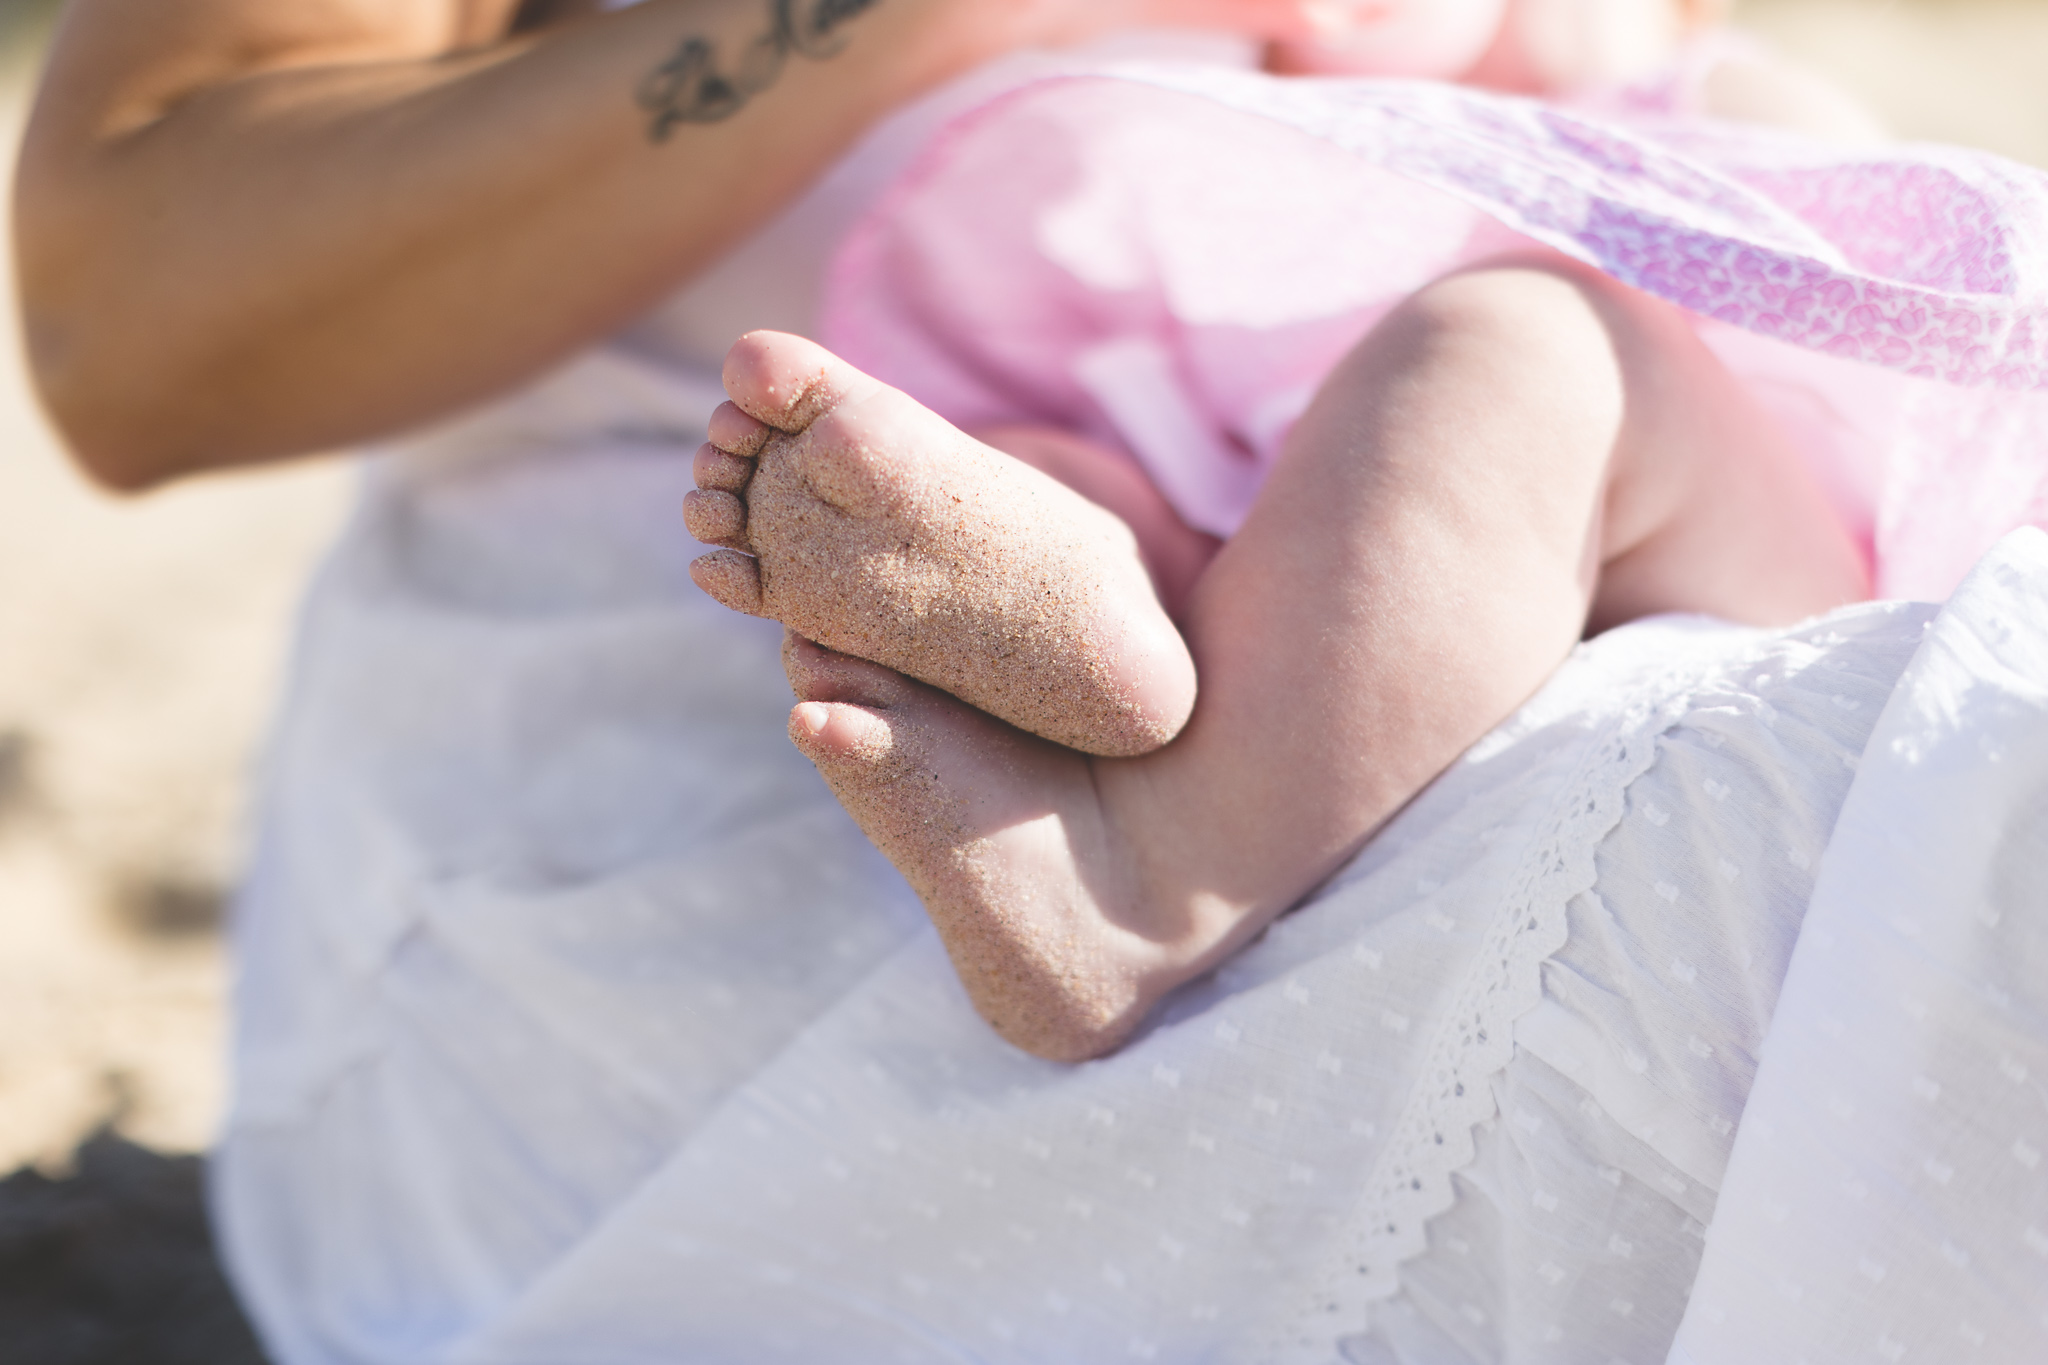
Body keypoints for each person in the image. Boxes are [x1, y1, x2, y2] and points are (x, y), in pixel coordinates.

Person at [17, 3, 2048, 1364]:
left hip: (1593, 569)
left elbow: (1760, 158)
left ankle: (1118, 678)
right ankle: (1137, 838)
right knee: (1465, 387)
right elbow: (134, 304)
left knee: (1575, 428)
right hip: (802, 754)